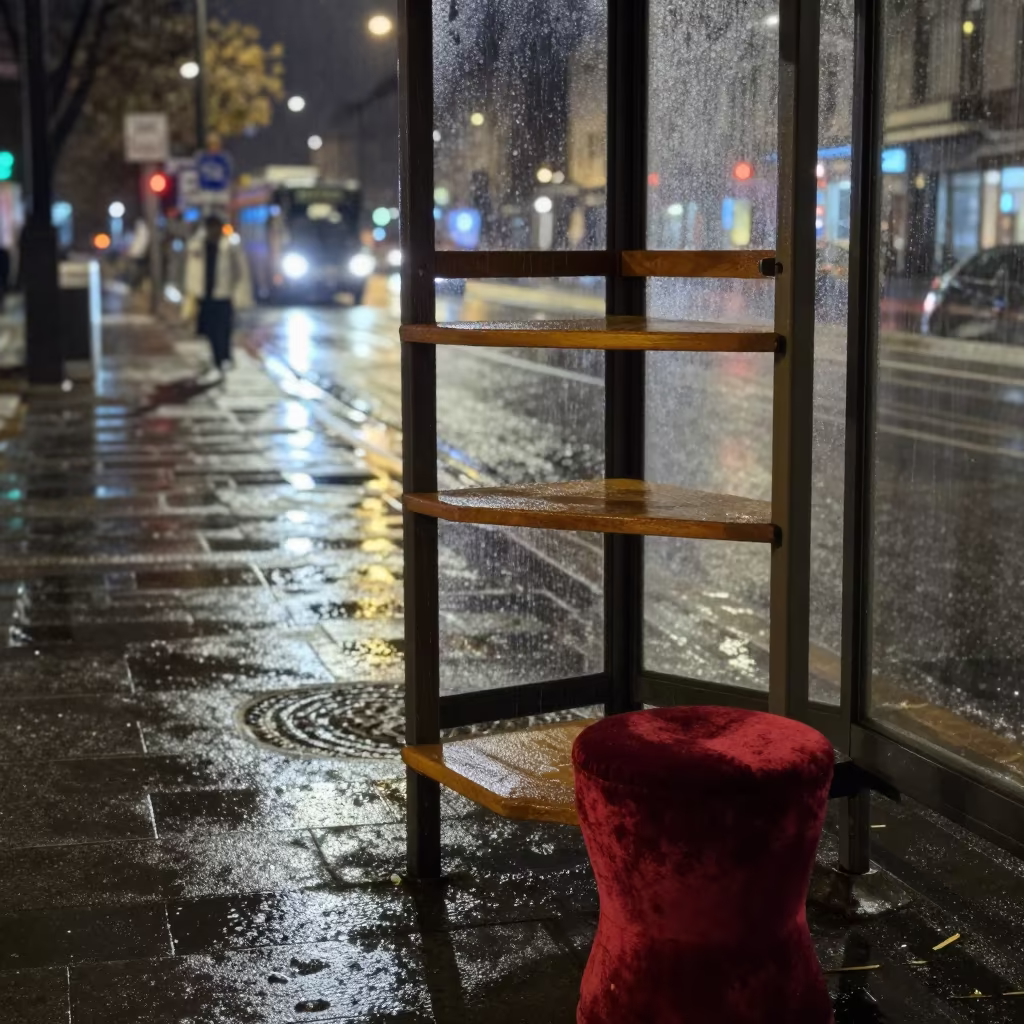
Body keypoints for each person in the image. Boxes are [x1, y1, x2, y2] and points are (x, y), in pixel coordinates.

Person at [184, 213, 253, 379]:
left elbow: (240, 272)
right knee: (209, 330)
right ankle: (217, 358)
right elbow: (190, 271)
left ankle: (223, 357)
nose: (212, 231)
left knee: (224, 329)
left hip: (223, 295)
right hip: (205, 296)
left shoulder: (229, 246)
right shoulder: (197, 246)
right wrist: (191, 293)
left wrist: (239, 294)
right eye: (210, 228)